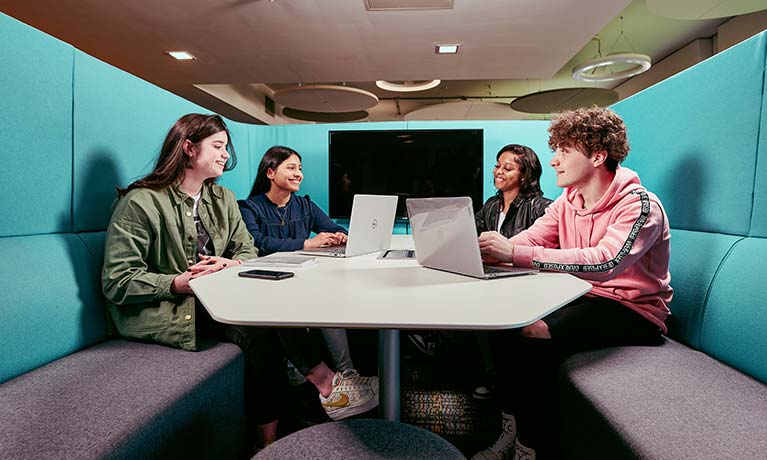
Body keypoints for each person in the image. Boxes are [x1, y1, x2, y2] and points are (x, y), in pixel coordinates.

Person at [101, 115, 378, 453]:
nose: (224, 154)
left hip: (217, 299)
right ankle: (323, 391)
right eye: (217, 146)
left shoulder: (222, 198)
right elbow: (118, 281)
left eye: (225, 147)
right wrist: (178, 282)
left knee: (272, 314)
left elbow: (247, 248)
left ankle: (282, 430)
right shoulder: (140, 202)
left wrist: (231, 264)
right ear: (188, 148)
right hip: (170, 308)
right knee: (261, 330)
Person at [474, 106, 673, 460]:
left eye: (565, 150)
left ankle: (532, 448)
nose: (554, 161)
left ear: (598, 155)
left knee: (533, 331)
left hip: (632, 310)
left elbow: (607, 262)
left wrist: (514, 254)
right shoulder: (569, 201)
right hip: (580, 295)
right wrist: (492, 250)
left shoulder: (641, 205)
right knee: (502, 321)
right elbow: (531, 238)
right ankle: (514, 428)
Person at [237, 145, 370, 394]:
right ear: (270, 172)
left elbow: (332, 227)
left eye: (300, 168)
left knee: (331, 299)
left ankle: (347, 372)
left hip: (304, 278)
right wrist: (307, 243)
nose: (299, 173)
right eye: (291, 167)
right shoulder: (249, 207)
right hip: (269, 283)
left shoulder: (305, 205)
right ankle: (298, 371)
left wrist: (340, 236)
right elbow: (258, 242)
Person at [471, 144, 552, 400]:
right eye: (497, 165)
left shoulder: (541, 207)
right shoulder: (492, 205)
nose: (498, 171)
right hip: (492, 279)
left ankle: (502, 382)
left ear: (525, 174)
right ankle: (490, 372)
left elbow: (542, 249)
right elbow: (471, 232)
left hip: (522, 285)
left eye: (507, 168)